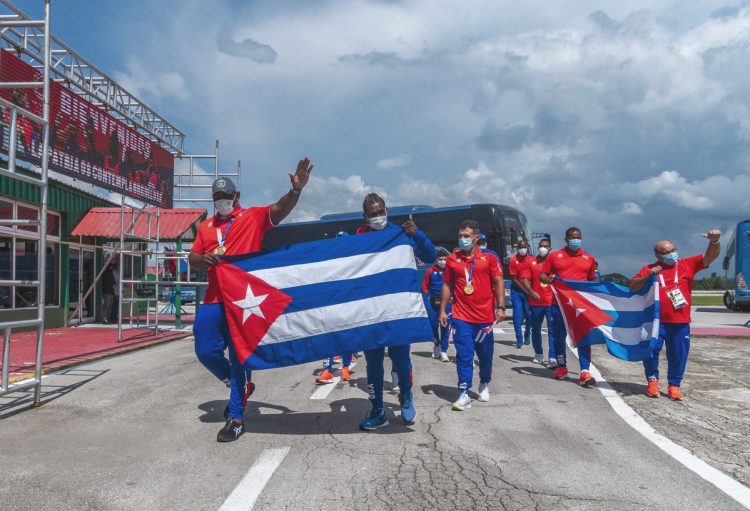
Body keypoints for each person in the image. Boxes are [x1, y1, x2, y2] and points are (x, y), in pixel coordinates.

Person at [188, 158, 313, 442]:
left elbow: (279, 211)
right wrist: (201, 259)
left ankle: (236, 417)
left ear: (237, 197)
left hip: (243, 301)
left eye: (226, 196)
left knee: (238, 356)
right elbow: (192, 257)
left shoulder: (252, 217)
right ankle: (241, 386)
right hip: (213, 299)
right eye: (216, 197)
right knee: (204, 350)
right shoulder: (206, 227)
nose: (221, 201)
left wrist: (295, 191)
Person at [355, 194, 436, 430]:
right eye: (372, 213)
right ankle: (378, 410)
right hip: (371, 311)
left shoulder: (403, 233)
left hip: (398, 309)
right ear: (365, 216)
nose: (377, 216)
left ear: (386, 210)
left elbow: (430, 256)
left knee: (401, 360)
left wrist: (417, 234)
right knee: (373, 363)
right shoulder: (359, 237)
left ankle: (406, 398)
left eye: (380, 211)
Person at [628, 231, 721, 400]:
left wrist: (714, 241)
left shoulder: (687, 264)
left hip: (680, 321)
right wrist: (649, 275)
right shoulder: (649, 268)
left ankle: (674, 386)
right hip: (656, 322)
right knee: (651, 352)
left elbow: (710, 257)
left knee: (678, 354)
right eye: (667, 252)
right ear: (658, 255)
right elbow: (633, 286)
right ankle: (652, 381)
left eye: (673, 250)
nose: (672, 254)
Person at [439, 220, 505, 411]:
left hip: (484, 318)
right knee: (464, 355)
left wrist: (500, 307)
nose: (462, 239)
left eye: (466, 236)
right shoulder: (453, 259)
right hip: (461, 317)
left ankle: (484, 382)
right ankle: (464, 392)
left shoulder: (490, 258)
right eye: (460, 236)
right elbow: (447, 285)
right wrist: (443, 310)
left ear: (476, 237)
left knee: (485, 356)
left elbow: (498, 282)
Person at [540, 227, 598, 386]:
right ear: (566, 239)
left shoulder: (589, 258)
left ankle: (585, 371)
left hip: (580, 306)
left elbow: (592, 281)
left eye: (578, 237)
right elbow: (542, 274)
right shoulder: (555, 256)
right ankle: (562, 365)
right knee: (559, 336)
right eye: (573, 237)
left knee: (583, 337)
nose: (576, 240)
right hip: (558, 304)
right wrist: (548, 280)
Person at [316, 230, 355, 384]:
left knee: (346, 337)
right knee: (329, 338)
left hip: (349, 305)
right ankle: (327, 370)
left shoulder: (354, 261)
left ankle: (345, 367)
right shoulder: (328, 260)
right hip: (331, 305)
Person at [521, 238, 556, 366]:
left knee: (553, 329)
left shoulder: (554, 262)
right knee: (535, 329)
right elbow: (524, 280)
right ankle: (538, 353)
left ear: (550, 248)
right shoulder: (531, 261)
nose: (542, 248)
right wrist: (531, 292)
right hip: (535, 302)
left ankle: (552, 356)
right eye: (541, 246)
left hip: (551, 301)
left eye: (545, 246)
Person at [422, 246, 452, 362]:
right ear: (437, 259)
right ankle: (436, 344)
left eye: (445, 259)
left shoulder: (450, 271)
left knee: (445, 325)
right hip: (433, 302)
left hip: (447, 302)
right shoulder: (430, 271)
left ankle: (444, 351)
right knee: (433, 326)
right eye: (441, 259)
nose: (443, 261)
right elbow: (424, 287)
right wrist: (426, 300)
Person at [508, 239, 532, 348]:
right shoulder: (513, 260)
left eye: (525, 247)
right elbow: (514, 279)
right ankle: (519, 339)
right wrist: (524, 289)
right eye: (521, 247)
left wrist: (531, 291)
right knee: (517, 315)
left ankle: (527, 334)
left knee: (529, 315)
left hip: (529, 292)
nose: (523, 249)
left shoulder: (531, 260)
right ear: (517, 248)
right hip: (517, 291)